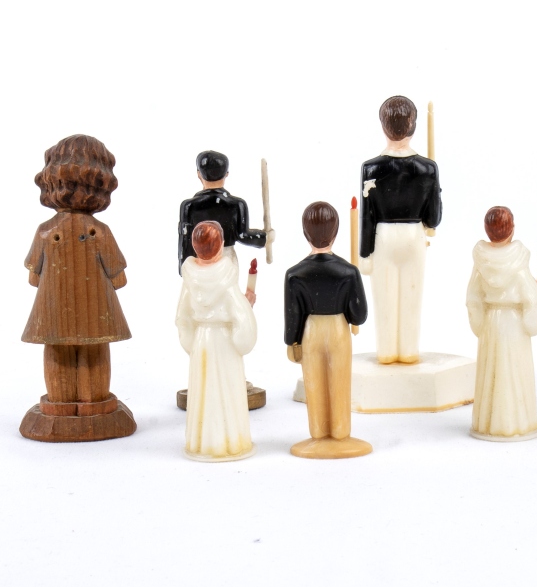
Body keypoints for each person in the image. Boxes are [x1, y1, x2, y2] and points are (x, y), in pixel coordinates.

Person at [20, 134, 136, 442]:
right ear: (102, 185)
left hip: (53, 310)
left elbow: (33, 278)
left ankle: (58, 404)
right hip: (96, 309)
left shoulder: (45, 232)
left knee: (56, 350)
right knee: (94, 351)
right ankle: (94, 403)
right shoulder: (100, 231)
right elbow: (119, 279)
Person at [285, 202, 372, 459]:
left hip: (311, 332)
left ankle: (318, 430)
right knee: (339, 380)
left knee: (314, 382)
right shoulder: (348, 271)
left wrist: (292, 342)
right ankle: (340, 430)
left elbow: (293, 314)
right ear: (336, 232)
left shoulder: (295, 274)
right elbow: (360, 315)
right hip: (337, 330)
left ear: (305, 233)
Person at [359, 96, 442, 365]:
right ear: (413, 126)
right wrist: (435, 192)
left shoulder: (371, 168)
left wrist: (364, 253)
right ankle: (408, 350)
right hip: (413, 236)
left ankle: (386, 351)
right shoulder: (427, 168)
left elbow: (367, 216)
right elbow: (434, 219)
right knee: (411, 297)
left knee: (384, 297)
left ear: (383, 126)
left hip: (383, 238)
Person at [176, 221, 257, 461]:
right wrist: (248, 304)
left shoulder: (190, 278)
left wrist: (190, 343)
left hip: (202, 340)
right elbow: (240, 318)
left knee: (203, 390)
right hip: (224, 343)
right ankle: (230, 442)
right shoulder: (226, 276)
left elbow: (182, 316)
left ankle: (201, 442)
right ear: (221, 244)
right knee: (227, 389)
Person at [466, 207, 537, 441]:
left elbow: (473, 297)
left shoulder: (481, 263)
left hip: (491, 324)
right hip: (514, 326)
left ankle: (488, 423)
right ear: (512, 229)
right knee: (514, 371)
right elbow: (531, 304)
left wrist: (480, 325)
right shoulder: (518, 262)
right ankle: (517, 423)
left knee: (492, 371)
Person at [178, 150, 270, 292]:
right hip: (226, 259)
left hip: (198, 262)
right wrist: (265, 238)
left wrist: (184, 269)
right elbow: (243, 236)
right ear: (226, 174)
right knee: (227, 293)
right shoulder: (236, 204)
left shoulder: (189, 206)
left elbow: (185, 243)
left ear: (198, 174)